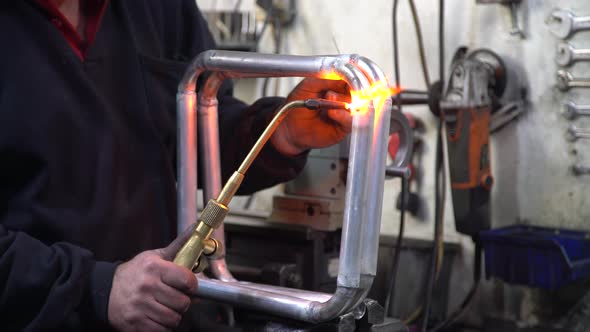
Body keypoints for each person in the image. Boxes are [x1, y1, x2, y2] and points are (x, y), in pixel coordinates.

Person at [0, 0, 352, 331]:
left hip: (166, 315)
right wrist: (97, 288)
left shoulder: (158, 8)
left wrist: (282, 132)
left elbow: (202, 131)